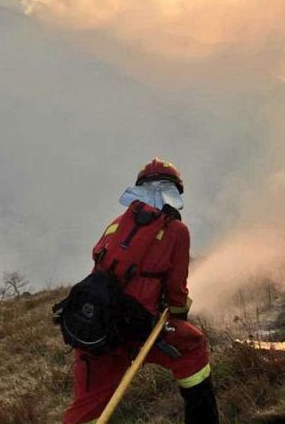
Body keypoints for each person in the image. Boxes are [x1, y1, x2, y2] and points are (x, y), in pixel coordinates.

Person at [62, 158, 219, 424]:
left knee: (88, 407)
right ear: (174, 193)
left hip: (96, 327)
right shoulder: (177, 231)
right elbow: (176, 292)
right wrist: (177, 318)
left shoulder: (115, 224)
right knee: (192, 347)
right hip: (140, 329)